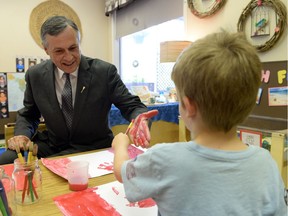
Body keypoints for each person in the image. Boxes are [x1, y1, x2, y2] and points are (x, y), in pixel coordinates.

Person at [112, 31, 287, 215]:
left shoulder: (163, 159)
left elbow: (121, 172)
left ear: (188, 105)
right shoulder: (266, 164)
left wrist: (121, 145)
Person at [0, 16, 155, 165]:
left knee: (58, 165)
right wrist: (22, 135)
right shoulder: (35, 75)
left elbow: (132, 106)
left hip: (92, 147)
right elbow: (29, 114)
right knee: (6, 159)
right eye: (59, 51)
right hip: (53, 145)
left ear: (79, 42)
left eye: (73, 48)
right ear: (46, 49)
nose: (69, 57)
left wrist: (140, 119)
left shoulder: (104, 72)